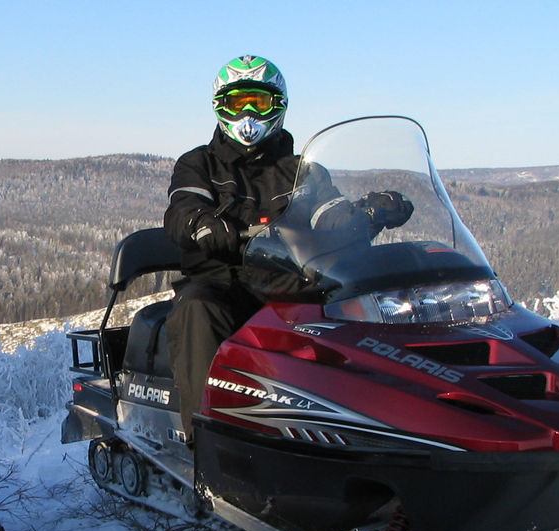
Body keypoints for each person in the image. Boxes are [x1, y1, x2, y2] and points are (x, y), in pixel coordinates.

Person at [163, 55, 411, 441]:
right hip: (224, 282)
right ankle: (207, 443)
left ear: (277, 105)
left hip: (291, 278)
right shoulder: (199, 164)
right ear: (220, 107)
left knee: (355, 310)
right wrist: (202, 224)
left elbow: (328, 211)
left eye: (258, 102)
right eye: (236, 102)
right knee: (199, 309)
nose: (247, 112)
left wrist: (366, 214)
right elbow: (183, 206)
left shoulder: (302, 169)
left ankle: (378, 421)